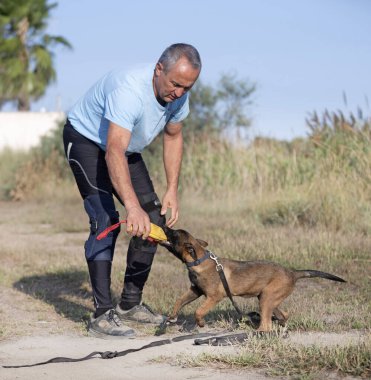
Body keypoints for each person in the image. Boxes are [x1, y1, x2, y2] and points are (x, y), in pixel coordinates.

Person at [63, 43, 201, 339]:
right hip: (87, 141)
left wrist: (172, 189)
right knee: (105, 219)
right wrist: (131, 206)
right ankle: (101, 315)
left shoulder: (179, 97)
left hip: (125, 149)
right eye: (175, 84)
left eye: (186, 87)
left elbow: (174, 136)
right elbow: (113, 151)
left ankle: (130, 303)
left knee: (154, 219)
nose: (178, 92)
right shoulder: (129, 89)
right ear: (158, 69)